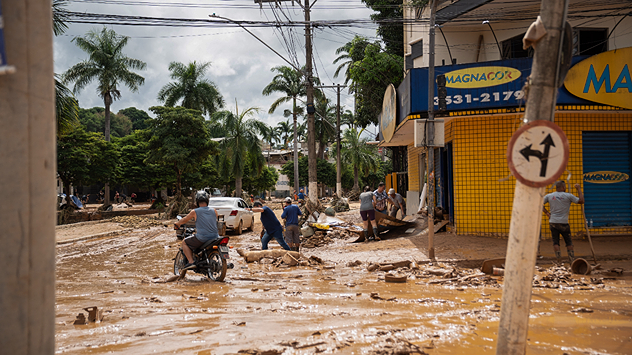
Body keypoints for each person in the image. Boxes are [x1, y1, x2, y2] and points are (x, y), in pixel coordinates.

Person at [174, 190, 220, 270]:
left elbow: (185, 219)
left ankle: (191, 262)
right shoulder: (214, 210)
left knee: (184, 242)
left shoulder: (195, 211)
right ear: (207, 200)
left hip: (203, 237)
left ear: (197, 201)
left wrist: (177, 223)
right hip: (215, 237)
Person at [542, 181, 584, 263]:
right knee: (569, 242)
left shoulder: (550, 196)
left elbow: (538, 203)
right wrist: (578, 189)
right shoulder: (568, 196)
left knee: (555, 242)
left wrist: (547, 213)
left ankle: (559, 261)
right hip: (564, 223)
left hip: (553, 222)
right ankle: (572, 261)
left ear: (556, 187)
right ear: (564, 187)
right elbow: (581, 201)